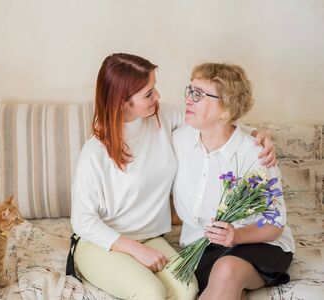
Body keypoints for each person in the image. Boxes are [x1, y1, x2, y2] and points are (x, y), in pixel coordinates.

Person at [67, 53, 276, 300]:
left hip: (151, 238)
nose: (157, 96)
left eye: (154, 88)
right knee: (150, 293)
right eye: (148, 94)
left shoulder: (163, 117)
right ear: (123, 101)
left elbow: (215, 122)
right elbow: (82, 220)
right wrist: (135, 250)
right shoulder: (95, 152)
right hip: (101, 243)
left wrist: (256, 134)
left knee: (188, 289)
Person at [172, 63, 295, 300]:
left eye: (198, 94)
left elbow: (275, 224)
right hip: (199, 248)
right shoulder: (179, 138)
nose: (188, 99)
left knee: (226, 270)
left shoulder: (255, 154)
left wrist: (235, 236)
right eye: (190, 90)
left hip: (258, 245)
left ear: (226, 109)